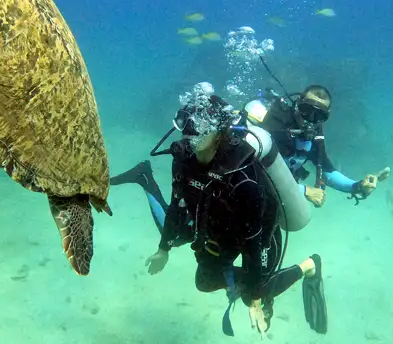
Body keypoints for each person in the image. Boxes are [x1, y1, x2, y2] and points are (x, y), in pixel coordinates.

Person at [116, 88, 326, 335]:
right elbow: (176, 205)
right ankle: (243, 285)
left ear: (218, 133)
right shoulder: (184, 158)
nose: (189, 135)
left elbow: (252, 244)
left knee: (254, 294)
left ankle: (310, 265)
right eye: (186, 126)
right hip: (219, 227)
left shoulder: (242, 176)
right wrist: (164, 249)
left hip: (259, 237)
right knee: (203, 283)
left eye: (199, 129)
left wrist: (256, 298)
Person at [245, 84, 389, 209]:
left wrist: (358, 186)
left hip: (270, 201)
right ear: (297, 104)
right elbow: (249, 170)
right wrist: (303, 190)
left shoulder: (314, 138)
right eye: (307, 110)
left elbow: (328, 172)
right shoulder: (274, 122)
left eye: (319, 115)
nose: (311, 120)